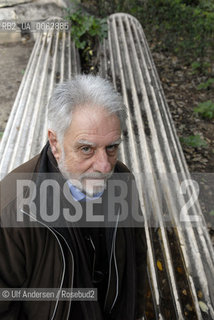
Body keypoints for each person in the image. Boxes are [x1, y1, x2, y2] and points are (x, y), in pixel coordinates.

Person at [0, 75, 147, 319]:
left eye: (111, 147)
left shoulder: (123, 179)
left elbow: (136, 262)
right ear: (55, 143)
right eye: (86, 148)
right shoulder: (13, 210)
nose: (103, 166)